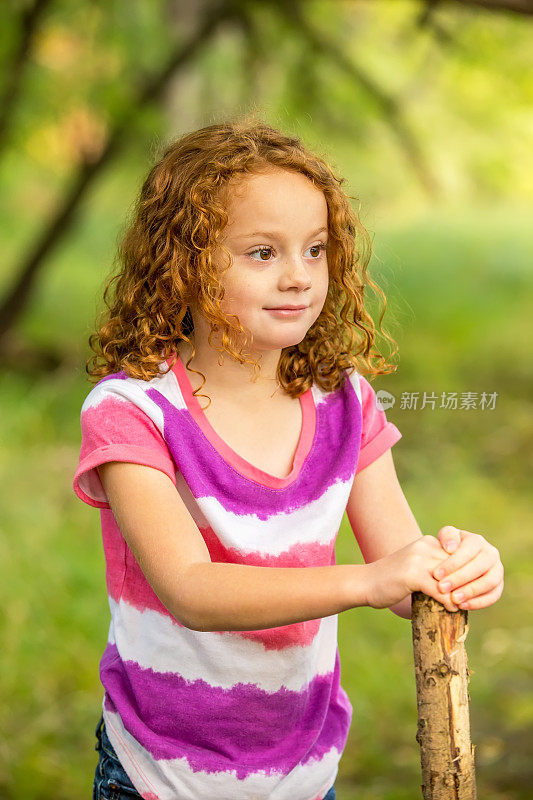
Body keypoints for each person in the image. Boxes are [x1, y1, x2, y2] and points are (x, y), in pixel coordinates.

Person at [73, 118, 504, 800]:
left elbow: (401, 565)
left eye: (314, 250)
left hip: (304, 775)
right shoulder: (133, 411)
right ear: (184, 264)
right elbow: (191, 589)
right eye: (262, 254)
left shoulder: (345, 404)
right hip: (161, 775)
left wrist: (454, 569)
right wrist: (367, 581)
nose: (298, 278)